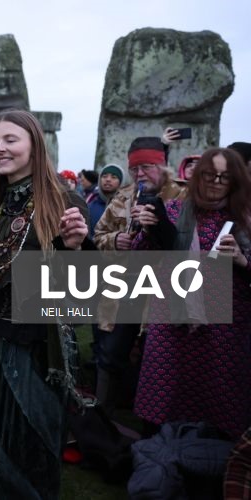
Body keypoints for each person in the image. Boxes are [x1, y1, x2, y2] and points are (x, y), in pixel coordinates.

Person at [0, 109, 91, 499]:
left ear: (34, 144)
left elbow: (80, 297)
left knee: (24, 457)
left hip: (32, 353)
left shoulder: (65, 201)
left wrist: (75, 248)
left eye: (10, 139)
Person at [131, 147, 251, 439]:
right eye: (210, 174)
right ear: (198, 176)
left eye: (224, 177)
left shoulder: (245, 221)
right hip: (173, 321)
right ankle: (155, 457)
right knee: (164, 386)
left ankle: (210, 463)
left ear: (235, 181)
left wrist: (242, 259)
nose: (216, 182)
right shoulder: (172, 210)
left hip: (224, 328)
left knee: (217, 394)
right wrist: (146, 232)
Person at [92, 137, 185, 417]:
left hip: (165, 289)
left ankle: (153, 417)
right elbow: (98, 234)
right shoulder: (123, 195)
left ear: (163, 164)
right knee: (112, 351)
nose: (140, 173)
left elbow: (195, 245)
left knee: (158, 357)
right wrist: (116, 238)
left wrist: (158, 225)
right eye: (134, 168)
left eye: (147, 166)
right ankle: (102, 414)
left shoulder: (183, 196)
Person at [87, 164, 124, 241]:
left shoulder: (126, 207)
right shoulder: (90, 207)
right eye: (104, 176)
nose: (108, 179)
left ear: (121, 182)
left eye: (114, 177)